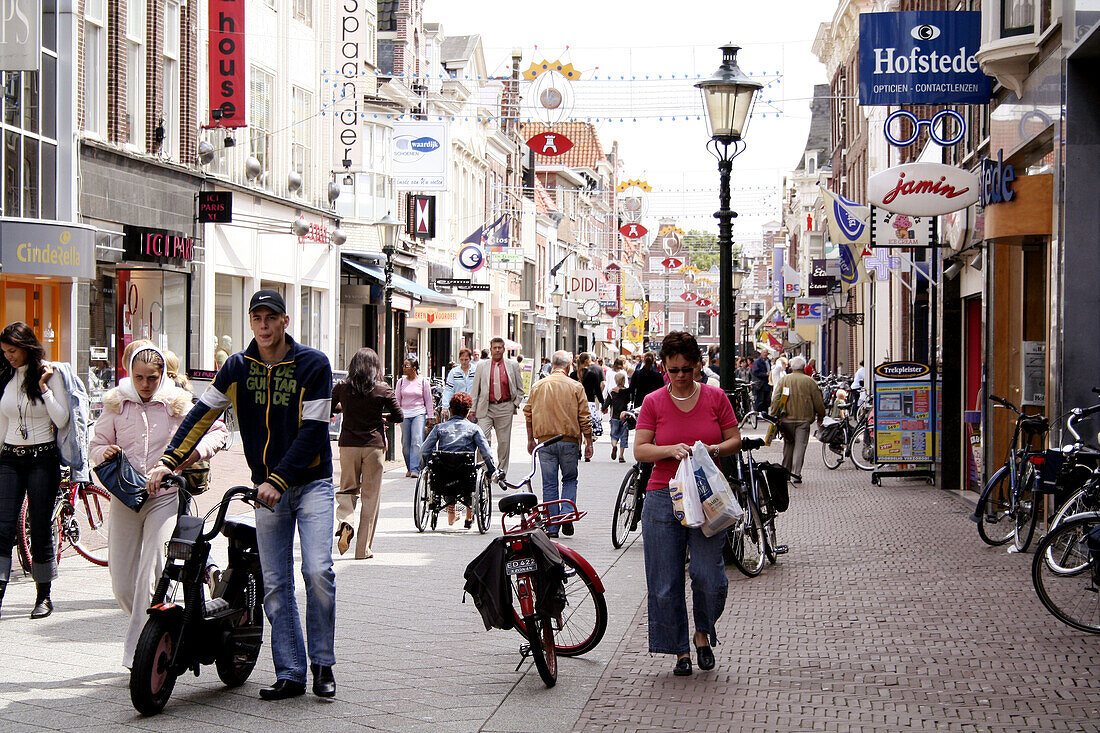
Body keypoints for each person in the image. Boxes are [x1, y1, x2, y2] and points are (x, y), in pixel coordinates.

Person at [148, 289, 337, 700]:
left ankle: (322, 663)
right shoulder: (236, 367)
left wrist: (279, 479)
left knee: (318, 572)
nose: (265, 326)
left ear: (286, 321)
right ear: (251, 322)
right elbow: (202, 413)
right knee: (274, 583)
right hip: (266, 489)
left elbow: (314, 431)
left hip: (310, 484)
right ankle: (290, 673)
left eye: (272, 318)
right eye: (257, 318)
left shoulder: (312, 365)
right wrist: (169, 460)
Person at [90, 342, 227, 667]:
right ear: (130, 374)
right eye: (139, 377)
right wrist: (103, 453)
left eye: (152, 377)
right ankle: (160, 624)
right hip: (126, 497)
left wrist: (192, 455)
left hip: (165, 498)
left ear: (162, 374)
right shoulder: (116, 403)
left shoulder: (178, 403)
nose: (146, 385)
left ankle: (140, 658)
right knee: (123, 583)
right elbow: (96, 443)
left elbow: (218, 431)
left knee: (151, 574)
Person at [633, 331, 741, 677]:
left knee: (709, 576)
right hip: (664, 494)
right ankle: (679, 650)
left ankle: (702, 633)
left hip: (707, 494)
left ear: (698, 366)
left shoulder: (715, 397)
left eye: (687, 369)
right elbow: (640, 449)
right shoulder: (653, 402)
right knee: (665, 580)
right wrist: (671, 449)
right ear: (664, 366)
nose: (680, 376)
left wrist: (714, 450)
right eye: (674, 369)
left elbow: (734, 439)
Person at [0, 323, 79, 619]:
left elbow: (61, 419)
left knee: (42, 527)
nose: (9, 357)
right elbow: (2, 422)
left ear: (26, 347)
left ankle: (43, 595)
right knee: (3, 527)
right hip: (10, 457)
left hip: (42, 458)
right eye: (5, 352)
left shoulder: (49, 373)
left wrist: (44, 388)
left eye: (13, 351)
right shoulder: (5, 376)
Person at [332, 347, 402, 559]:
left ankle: (347, 521)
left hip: (348, 445)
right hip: (374, 446)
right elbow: (399, 416)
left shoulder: (342, 387)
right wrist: (384, 418)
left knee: (347, 489)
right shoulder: (382, 388)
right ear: (375, 367)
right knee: (371, 497)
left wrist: (344, 409)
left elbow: (328, 409)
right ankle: (362, 549)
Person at [523, 351, 592, 538]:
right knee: (570, 479)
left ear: (552, 365)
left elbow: (528, 412)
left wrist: (530, 439)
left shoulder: (538, 386)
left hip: (545, 442)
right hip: (569, 440)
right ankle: (567, 515)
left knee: (549, 484)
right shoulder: (576, 386)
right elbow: (585, 417)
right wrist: (588, 441)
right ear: (569, 366)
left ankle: (552, 527)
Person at [420, 392, 496, 529]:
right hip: (465, 475)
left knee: (444, 473)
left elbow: (424, 450)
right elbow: (487, 454)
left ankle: (451, 513)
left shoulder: (439, 428)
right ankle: (469, 515)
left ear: (450, 410)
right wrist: (492, 471)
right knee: (469, 475)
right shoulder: (474, 429)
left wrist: (426, 466)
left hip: (442, 475)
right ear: (467, 412)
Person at [469, 337, 524, 477]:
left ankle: (501, 472)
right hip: (486, 408)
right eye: (495, 347)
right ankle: (483, 471)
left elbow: (520, 389)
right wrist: (472, 409)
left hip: (505, 407)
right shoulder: (482, 366)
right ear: (491, 349)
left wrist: (514, 405)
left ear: (504, 349)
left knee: (504, 442)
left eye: (500, 347)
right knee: (483, 439)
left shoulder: (512, 365)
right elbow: (475, 389)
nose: (497, 350)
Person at [770, 355, 826, 484]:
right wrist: (821, 415)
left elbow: (777, 398)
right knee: (800, 446)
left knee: (788, 445)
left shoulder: (785, 380)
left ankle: (785, 473)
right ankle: (796, 473)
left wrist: (774, 414)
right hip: (803, 419)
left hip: (786, 419)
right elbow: (818, 401)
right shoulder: (810, 382)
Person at [396, 356, 433, 479]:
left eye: (406, 366)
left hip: (419, 413)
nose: (404, 368)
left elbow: (428, 400)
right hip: (405, 414)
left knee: (417, 441)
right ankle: (409, 466)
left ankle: (415, 468)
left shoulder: (423, 382)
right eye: (403, 366)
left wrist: (430, 416)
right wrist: (396, 415)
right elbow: (397, 400)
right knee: (406, 443)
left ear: (414, 368)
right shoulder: (400, 382)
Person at [577, 353, 605, 459]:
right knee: (587, 428)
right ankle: (588, 449)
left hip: (577, 404)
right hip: (589, 403)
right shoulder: (593, 375)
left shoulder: (574, 374)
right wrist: (603, 403)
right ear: (587, 361)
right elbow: (598, 391)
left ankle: (578, 450)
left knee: (578, 428)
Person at [602, 371, 632, 462]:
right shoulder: (626, 391)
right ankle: (621, 456)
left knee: (614, 435)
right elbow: (629, 401)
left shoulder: (612, 392)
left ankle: (614, 446)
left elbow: (607, 403)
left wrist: (603, 409)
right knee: (624, 437)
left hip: (614, 417)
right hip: (624, 417)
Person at [441, 348, 476, 420]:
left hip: (473, 405)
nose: (464, 362)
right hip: (458, 406)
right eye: (461, 359)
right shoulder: (454, 372)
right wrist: (445, 407)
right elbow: (449, 389)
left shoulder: (476, 370)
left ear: (470, 359)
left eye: (466, 359)